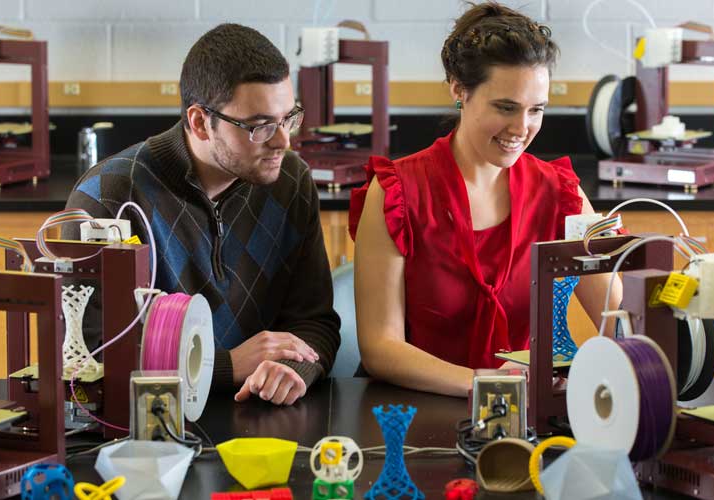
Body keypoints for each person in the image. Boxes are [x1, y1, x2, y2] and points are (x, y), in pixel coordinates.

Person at [349, 2, 622, 397]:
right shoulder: (397, 193)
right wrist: (488, 383)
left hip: (525, 415)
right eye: (505, 107)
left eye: (536, 110)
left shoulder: (560, 194)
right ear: (459, 89)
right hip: (420, 411)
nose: (522, 127)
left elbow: (615, 320)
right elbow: (380, 349)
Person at [65, 24, 340, 406]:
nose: (283, 141)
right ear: (199, 122)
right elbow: (87, 356)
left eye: (289, 117)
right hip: (150, 426)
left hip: (264, 413)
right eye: (260, 126)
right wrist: (225, 366)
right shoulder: (108, 197)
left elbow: (316, 322)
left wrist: (294, 371)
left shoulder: (290, 181)